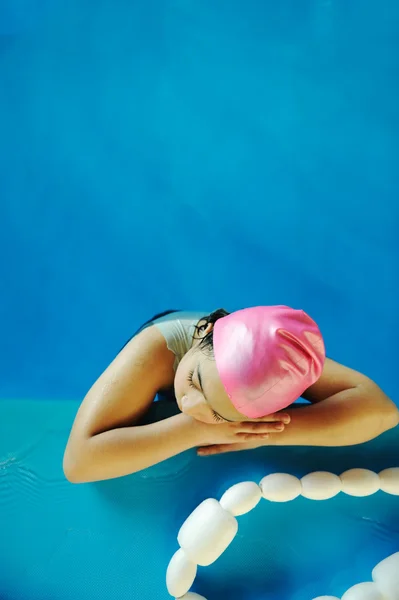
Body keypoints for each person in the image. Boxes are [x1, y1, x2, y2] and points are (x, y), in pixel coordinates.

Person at [63, 306, 399, 483]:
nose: (189, 406)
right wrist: (199, 428)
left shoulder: (281, 361)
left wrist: (270, 433)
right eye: (195, 381)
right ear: (204, 330)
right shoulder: (155, 350)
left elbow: (382, 411)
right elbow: (78, 463)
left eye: (218, 413)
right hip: (172, 339)